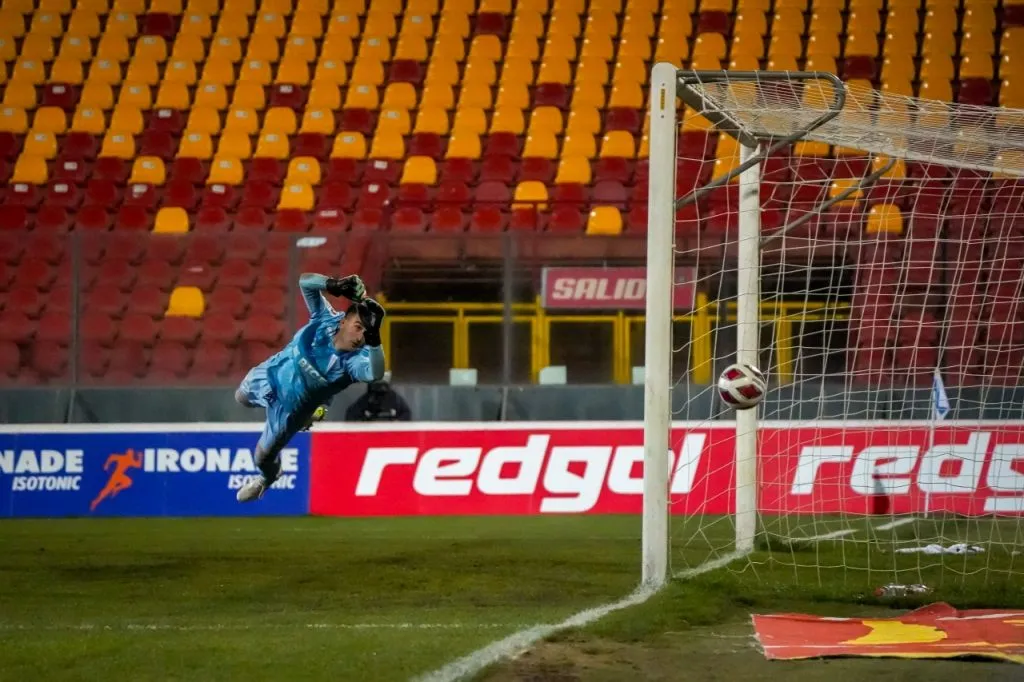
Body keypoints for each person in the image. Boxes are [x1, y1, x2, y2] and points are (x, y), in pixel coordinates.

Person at [233, 272, 386, 503]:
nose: (361, 336)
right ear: (344, 321)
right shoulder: (325, 319)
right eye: (358, 327)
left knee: (262, 458)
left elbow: (375, 373)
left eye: (367, 332)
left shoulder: (355, 362)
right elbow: (304, 281)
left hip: (291, 410)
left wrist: (375, 340)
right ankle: (318, 409)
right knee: (241, 397)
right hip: (271, 375)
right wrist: (335, 285)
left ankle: (268, 478)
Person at [345, 372, 412, 422]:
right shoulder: (365, 400)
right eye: (377, 386)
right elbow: (351, 415)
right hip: (370, 434)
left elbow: (406, 413)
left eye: (383, 387)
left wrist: (397, 423)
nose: (380, 390)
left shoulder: (395, 399)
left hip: (389, 434)